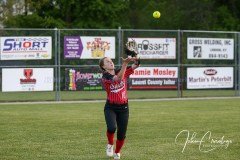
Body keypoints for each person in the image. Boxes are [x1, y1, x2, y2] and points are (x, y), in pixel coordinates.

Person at [99, 56, 140, 160]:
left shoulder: (121, 70)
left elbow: (136, 65)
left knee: (121, 135)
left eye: (111, 61)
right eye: (107, 62)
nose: (110, 62)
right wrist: (125, 64)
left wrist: (136, 58)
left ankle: (117, 153)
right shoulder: (105, 77)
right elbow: (118, 79)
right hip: (110, 107)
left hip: (124, 108)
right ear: (103, 67)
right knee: (112, 128)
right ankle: (110, 144)